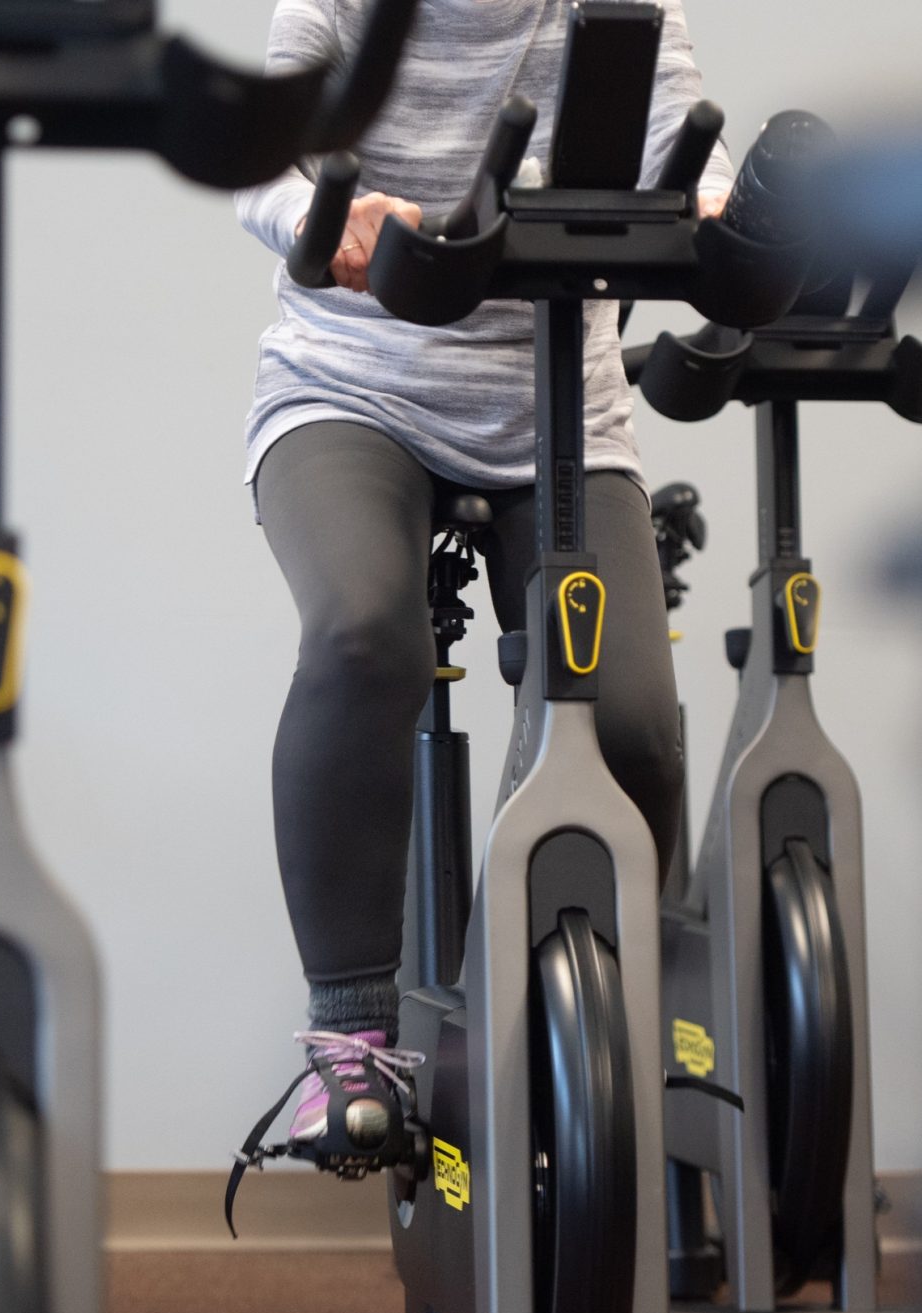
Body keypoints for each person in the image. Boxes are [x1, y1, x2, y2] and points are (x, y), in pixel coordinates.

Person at [236, 0, 733, 1144]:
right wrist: (328, 213)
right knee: (367, 634)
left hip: (555, 403)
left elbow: (680, 142)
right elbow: (262, 156)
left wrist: (713, 208)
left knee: (634, 720)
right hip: (351, 384)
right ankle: (348, 1036)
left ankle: (595, 1001)